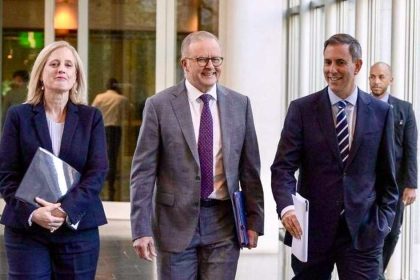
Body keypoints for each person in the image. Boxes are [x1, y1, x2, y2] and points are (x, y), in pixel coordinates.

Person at [130, 31, 264, 280]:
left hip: (225, 222)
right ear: (185, 63)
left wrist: (255, 220)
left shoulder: (240, 104)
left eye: (216, 59)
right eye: (202, 59)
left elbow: (250, 169)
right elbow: (143, 173)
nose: (210, 66)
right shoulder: (159, 106)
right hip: (175, 222)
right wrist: (141, 229)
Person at [271, 33, 399, 279]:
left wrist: (382, 223)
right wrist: (287, 208)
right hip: (311, 232)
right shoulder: (302, 109)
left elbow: (388, 177)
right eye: (328, 62)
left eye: (340, 62)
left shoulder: (382, 113)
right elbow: (282, 168)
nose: (332, 69)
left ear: (357, 65)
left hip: (363, 232)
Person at [0, 41, 108, 279]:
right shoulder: (19, 116)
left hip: (78, 227)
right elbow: (6, 174)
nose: (62, 69)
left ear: (75, 77)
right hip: (27, 228)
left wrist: (65, 210)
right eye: (54, 64)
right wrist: (32, 213)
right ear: (41, 74)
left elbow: (97, 172)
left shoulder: (91, 118)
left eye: (69, 65)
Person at [369, 62, 418, 280]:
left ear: (391, 80)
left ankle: (377, 272)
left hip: (396, 184)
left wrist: (411, 184)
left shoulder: (404, 109)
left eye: (381, 77)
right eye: (372, 77)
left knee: (393, 231)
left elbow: (411, 147)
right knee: (370, 231)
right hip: (368, 183)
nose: (376, 81)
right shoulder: (362, 104)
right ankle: (374, 274)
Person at [92, 78, 128, 201]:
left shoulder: (99, 98)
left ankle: (103, 182)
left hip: (102, 128)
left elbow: (93, 110)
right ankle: (111, 184)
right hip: (115, 129)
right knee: (113, 157)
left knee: (102, 156)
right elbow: (130, 109)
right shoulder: (121, 99)